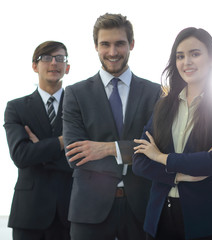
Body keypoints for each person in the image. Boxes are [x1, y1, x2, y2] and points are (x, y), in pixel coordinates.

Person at [132, 27, 212, 240]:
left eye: (195, 54)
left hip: (206, 221)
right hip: (160, 219)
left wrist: (161, 157)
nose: (186, 62)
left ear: (211, 59)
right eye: (180, 56)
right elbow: (139, 161)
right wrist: (179, 175)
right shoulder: (163, 106)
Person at [62, 13, 161, 240]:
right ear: (96, 46)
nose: (113, 52)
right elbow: (75, 155)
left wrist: (108, 148)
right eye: (105, 44)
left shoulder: (153, 92)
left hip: (142, 207)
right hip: (89, 210)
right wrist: (131, 151)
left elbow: (158, 149)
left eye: (120, 44)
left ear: (131, 45)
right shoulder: (75, 94)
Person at [3, 41, 72, 240]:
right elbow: (21, 156)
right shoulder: (16, 108)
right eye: (47, 58)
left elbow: (81, 157)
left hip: (70, 212)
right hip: (29, 214)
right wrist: (61, 142)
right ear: (35, 66)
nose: (54, 63)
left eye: (60, 59)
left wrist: (40, 150)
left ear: (67, 68)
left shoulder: (79, 107)